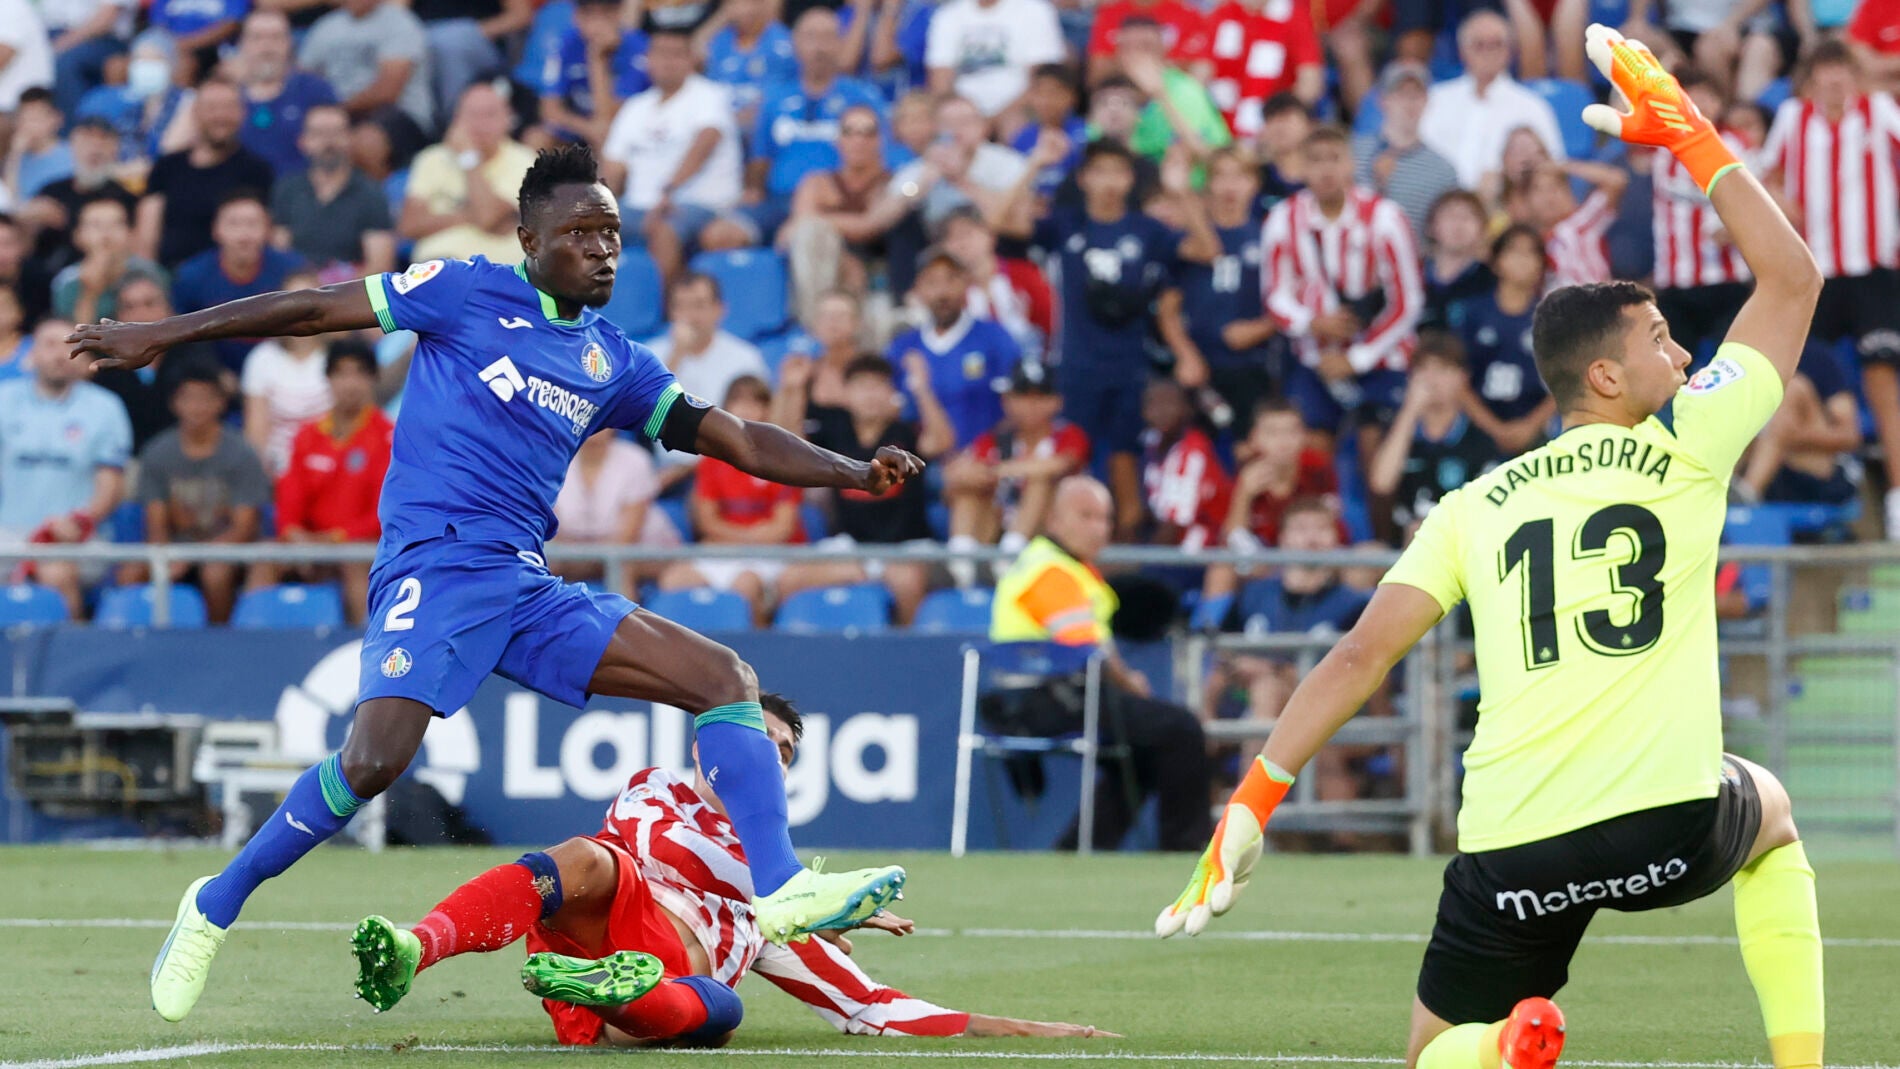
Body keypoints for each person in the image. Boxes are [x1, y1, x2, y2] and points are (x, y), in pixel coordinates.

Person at [86, 143, 925, 1024]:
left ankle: (783, 886)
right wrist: (164, 334)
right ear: (529, 238)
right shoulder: (464, 290)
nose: (605, 249)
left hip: (523, 582)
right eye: (582, 232)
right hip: (436, 563)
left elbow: (740, 437)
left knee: (726, 681)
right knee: (373, 762)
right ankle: (213, 903)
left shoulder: (615, 360)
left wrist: (854, 472)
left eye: (613, 233)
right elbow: (310, 309)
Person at [1159, 30, 1827, 1069]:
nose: (1682, 351)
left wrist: (1251, 801)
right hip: (1666, 821)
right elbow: (1791, 278)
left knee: (1432, 1054)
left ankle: (1500, 1045)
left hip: (1513, 842)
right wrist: (1692, 139)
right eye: (1658, 337)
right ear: (1605, 377)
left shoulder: (1472, 501)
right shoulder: (1689, 443)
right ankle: (1801, 1065)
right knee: (1772, 817)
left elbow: (1354, 657)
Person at [348, 694, 1113, 1045]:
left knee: (724, 1009)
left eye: (782, 753)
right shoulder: (659, 790)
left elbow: (868, 1005)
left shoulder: (779, 900)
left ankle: (633, 994)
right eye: (758, 742)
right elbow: (674, 852)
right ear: (709, 748)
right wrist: (816, 900)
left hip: (659, 980)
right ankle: (422, 943)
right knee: (586, 856)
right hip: (606, 921)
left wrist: (1013, 1025)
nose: (767, 759)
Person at [1002, 138, 1219, 533]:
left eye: (1118, 171)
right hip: (1075, 366)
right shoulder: (1065, 224)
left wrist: (1179, 191)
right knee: (1068, 466)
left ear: (1130, 178)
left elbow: (1206, 249)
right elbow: (1000, 222)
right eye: (1099, 171)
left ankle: (1121, 561)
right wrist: (1034, 165)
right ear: (1083, 178)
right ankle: (1065, 549)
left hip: (1130, 368)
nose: (1109, 182)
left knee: (1126, 466)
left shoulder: (1145, 229)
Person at [988, 475, 1214, 852]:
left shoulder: (1067, 567)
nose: (1099, 527)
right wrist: (1130, 683)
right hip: (1046, 699)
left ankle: (1075, 851)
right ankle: (1184, 849)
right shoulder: (1051, 570)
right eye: (1086, 515)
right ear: (1054, 521)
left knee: (1142, 752)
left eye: (1105, 518)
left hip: (1050, 696)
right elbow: (1087, 650)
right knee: (1182, 729)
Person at [1760, 40, 1900, 538]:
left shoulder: (1879, 111)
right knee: (1791, 377)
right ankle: (1814, 474)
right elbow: (1764, 176)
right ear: (1812, 80)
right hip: (1815, 271)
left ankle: (1896, 499)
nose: (1836, 83)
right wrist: (1782, 198)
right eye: (1826, 74)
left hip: (1872, 270)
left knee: (1883, 379)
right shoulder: (1794, 118)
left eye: (1844, 73)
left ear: (1854, 78)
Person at [1263, 125, 1423, 456]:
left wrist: (1357, 359)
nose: (1326, 170)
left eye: (1334, 159)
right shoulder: (1282, 219)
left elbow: (1408, 301)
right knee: (1306, 451)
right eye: (1315, 160)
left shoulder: (1385, 218)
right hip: (1314, 358)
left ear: (1351, 164)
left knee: (1377, 452)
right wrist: (1311, 323)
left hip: (1380, 358)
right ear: (1302, 167)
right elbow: (1274, 295)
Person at [1206, 496, 1371, 770]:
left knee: (1279, 700)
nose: (1311, 538)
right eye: (1301, 529)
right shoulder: (1252, 594)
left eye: (1321, 528)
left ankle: (1248, 807)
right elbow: (1221, 656)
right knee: (1263, 693)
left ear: (1335, 539)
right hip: (1244, 700)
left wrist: (1271, 670)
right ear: (1282, 539)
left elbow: (1351, 675)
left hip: (1328, 712)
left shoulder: (1354, 605)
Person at [795, 354, 953, 623]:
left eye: (879, 386)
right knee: (791, 579)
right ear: (845, 394)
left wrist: (922, 388)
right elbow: (791, 447)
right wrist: (792, 390)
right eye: (861, 386)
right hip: (850, 548)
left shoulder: (905, 433)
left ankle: (905, 652)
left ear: (892, 393)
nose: (870, 395)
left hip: (906, 548)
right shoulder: (835, 431)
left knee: (906, 582)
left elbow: (941, 442)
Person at [656, 375, 820, 620]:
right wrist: (738, 540)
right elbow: (707, 521)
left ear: (767, 410)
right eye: (739, 402)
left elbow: (781, 529)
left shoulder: (783, 459)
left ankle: (755, 652)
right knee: (674, 580)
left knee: (745, 586)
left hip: (775, 555)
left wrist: (733, 540)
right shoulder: (711, 459)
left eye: (755, 403)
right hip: (727, 551)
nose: (746, 410)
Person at [0, 319, 131, 619]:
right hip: (9, 532)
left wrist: (81, 522)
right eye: (49, 345)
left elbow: (110, 483)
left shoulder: (105, 407)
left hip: (80, 536)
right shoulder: (3, 400)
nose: (59, 354)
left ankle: (70, 660)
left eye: (68, 345)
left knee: (55, 572)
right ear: (29, 354)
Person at [127, 363, 271, 624]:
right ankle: (139, 640)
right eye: (188, 398)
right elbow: (155, 523)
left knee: (215, 573)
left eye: (205, 398)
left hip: (228, 552)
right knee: (130, 574)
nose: (197, 407)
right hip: (176, 547)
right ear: (174, 403)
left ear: (221, 403)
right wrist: (166, 557)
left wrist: (197, 555)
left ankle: (218, 638)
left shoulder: (241, 453)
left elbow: (245, 527)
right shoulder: (158, 452)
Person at [599, 29, 743, 286]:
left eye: (677, 54)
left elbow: (705, 142)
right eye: (661, 54)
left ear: (691, 60)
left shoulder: (709, 95)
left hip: (698, 204)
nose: (668, 61)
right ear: (648, 60)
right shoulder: (635, 107)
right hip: (638, 206)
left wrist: (668, 191)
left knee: (664, 228)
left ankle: (663, 316)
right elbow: (613, 166)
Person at [270, 341, 391, 626]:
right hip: (309, 545)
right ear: (328, 378)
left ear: (373, 379)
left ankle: (361, 648)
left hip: (362, 548)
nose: (350, 383)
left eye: (359, 373)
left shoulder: (389, 437)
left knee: (355, 566)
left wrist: (332, 541)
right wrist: (295, 536)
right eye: (341, 373)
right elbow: (288, 503)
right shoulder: (306, 436)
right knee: (263, 562)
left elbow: (382, 514)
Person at [1158, 147, 1275, 434]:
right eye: (1220, 176)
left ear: (1255, 183)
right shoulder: (1187, 240)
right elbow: (1168, 310)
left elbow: (1291, 303)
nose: (1229, 186)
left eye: (1239, 176)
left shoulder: (1269, 237)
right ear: (1208, 184)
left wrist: (1260, 328)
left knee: (1248, 448)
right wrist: (1186, 355)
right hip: (1199, 369)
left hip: (1251, 367)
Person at [943, 361, 1091, 581]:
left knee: (1040, 480)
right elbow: (957, 475)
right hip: (996, 527)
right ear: (1007, 401)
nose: (1031, 405)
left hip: (1048, 533)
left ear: (1057, 402)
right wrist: (972, 474)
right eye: (1022, 396)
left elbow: (1058, 464)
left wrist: (998, 470)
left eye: (1041, 397)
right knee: (968, 491)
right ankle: (962, 564)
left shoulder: (1069, 435)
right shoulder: (996, 438)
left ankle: (1010, 557)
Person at [1651, 70, 1754, 362]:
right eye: (1689, 97)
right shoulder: (1660, 148)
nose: (1699, 104)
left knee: (1732, 368)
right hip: (1675, 283)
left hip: (1726, 281)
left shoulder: (1734, 145)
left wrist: (1732, 227)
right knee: (1667, 370)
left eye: (1707, 96)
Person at [1367, 332, 1502, 542]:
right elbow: (1381, 484)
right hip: (1398, 550)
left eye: (1443, 369)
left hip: (1460, 547)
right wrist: (1410, 410)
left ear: (1462, 377)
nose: (1432, 379)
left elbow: (1488, 509)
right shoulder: (1399, 431)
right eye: (1423, 369)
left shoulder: (1479, 440)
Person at [886, 247, 1020, 451]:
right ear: (918, 288)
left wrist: (983, 456)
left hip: (985, 461)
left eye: (951, 279)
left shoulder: (996, 339)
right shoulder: (901, 349)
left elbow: (1018, 410)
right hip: (920, 465)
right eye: (932, 282)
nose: (942, 292)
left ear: (966, 283)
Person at [137, 77, 276, 269]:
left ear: (242, 113)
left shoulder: (258, 171)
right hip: (169, 278)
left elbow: (264, 235)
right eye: (211, 108)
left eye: (228, 107)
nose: (220, 116)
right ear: (195, 113)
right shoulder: (166, 166)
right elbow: (147, 236)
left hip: (233, 283)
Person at [1419, 11, 1569, 188]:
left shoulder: (1531, 106)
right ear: (1462, 52)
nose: (1488, 52)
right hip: (1436, 202)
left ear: (1510, 51)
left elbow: (1553, 168)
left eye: (1496, 44)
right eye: (1479, 45)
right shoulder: (1435, 99)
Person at [777, 105, 896, 321]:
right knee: (811, 234)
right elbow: (799, 229)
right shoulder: (816, 183)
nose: (858, 140)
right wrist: (843, 257)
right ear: (838, 140)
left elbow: (869, 226)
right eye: (849, 132)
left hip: (878, 279)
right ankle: (817, 323)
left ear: (881, 140)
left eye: (868, 133)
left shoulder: (895, 184)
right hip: (826, 272)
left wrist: (820, 219)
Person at [401, 85, 537, 265]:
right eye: (472, 115)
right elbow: (409, 226)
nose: (480, 124)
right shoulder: (431, 159)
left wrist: (469, 159)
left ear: (508, 119)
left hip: (497, 270)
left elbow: (487, 217)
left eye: (489, 115)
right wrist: (469, 216)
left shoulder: (525, 160)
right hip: (437, 266)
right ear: (456, 119)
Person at [171, 193, 308, 373]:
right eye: (233, 224)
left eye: (252, 224)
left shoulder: (293, 271)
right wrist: (215, 373)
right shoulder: (191, 277)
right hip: (212, 376)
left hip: (281, 374)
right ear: (215, 229)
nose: (244, 235)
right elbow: (182, 340)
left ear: (268, 229)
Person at [1457, 225, 1556, 457]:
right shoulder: (1474, 313)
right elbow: (1458, 378)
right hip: (1478, 430)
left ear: (1541, 264)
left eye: (1531, 252)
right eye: (1514, 251)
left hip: (1537, 431)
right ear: (1496, 261)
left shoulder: (1553, 317)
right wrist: (1495, 429)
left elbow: (1566, 382)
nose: (1522, 260)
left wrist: (1530, 426)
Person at [270, 104, 397, 279]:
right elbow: (279, 253)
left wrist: (334, 294)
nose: (328, 142)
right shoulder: (288, 189)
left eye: (336, 133)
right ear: (303, 141)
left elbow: (380, 265)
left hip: (348, 291)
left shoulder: (371, 194)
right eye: (319, 133)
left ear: (350, 138)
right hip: (296, 290)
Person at [1734, 343, 1863, 512]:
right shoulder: (1745, 352)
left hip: (1812, 469)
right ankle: (1723, 492)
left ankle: (1747, 493)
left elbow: (1849, 436)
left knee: (1793, 388)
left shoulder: (1817, 358)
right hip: (1753, 458)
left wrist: (1785, 435)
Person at [551, 428, 679, 597]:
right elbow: (551, 529)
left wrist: (587, 555)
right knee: (536, 565)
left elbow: (627, 537)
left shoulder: (635, 459)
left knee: (621, 567)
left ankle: (625, 622)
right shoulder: (552, 459)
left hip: (637, 550)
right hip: (572, 552)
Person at [298, 0, 433, 146]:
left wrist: (338, 110)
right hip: (338, 113)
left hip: (397, 114)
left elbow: (387, 92)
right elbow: (304, 78)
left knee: (366, 140)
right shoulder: (326, 26)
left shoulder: (401, 23)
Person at [240, 270, 332, 477]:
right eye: (293, 300)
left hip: (331, 469)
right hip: (279, 471)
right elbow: (256, 433)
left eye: (308, 299)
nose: (301, 309)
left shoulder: (338, 357)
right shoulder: (261, 359)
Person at [1353, 62, 1459, 241]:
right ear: (1382, 100)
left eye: (1416, 95)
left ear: (1426, 101)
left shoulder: (1443, 170)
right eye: (1401, 94)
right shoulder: (1353, 153)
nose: (1409, 102)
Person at [924, 0, 1066, 132]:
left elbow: (1041, 80)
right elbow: (940, 82)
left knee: (1015, 124)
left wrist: (993, 121)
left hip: (1019, 109)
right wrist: (968, 119)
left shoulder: (1035, 10)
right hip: (963, 112)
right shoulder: (948, 14)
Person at [230, 10, 339, 178]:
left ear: (290, 43)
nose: (267, 47)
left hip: (300, 195)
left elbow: (335, 151)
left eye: (276, 38)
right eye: (257, 38)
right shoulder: (225, 95)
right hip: (239, 195)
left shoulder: (315, 90)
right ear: (242, 44)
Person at [648, 272, 770, 412]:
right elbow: (644, 412)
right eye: (681, 306)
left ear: (719, 309)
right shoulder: (650, 354)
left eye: (698, 305)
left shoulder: (745, 358)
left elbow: (758, 417)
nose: (690, 316)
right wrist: (677, 354)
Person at [537, 0, 651, 147]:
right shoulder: (566, 42)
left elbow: (610, 118)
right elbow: (549, 109)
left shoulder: (638, 48)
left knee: (605, 138)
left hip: (627, 129)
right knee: (537, 138)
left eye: (606, 13)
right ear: (576, 16)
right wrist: (588, 129)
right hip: (582, 125)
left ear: (620, 13)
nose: (598, 23)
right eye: (588, 13)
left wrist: (597, 61)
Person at [1203, 0, 1324, 133]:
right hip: (1221, 127)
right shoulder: (1222, 14)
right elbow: (1202, 73)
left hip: (1270, 127)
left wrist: (1282, 120)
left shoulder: (1293, 16)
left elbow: (1310, 81)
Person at [1139, 377, 1232, 550]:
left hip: (1199, 549)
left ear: (1187, 410)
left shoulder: (1193, 450)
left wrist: (1135, 565)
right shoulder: (1150, 442)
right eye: (1154, 404)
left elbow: (1173, 527)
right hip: (1165, 543)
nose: (1161, 411)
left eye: (1169, 403)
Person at [51, 197, 168, 324]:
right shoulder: (68, 281)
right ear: (77, 235)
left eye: (116, 224)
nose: (106, 232)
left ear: (131, 232)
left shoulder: (151, 272)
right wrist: (90, 291)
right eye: (96, 225)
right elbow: (72, 333)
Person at [1526, 159, 1630, 290]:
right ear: (1527, 198)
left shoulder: (1583, 221)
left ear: (1568, 192)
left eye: (1554, 188)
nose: (1547, 197)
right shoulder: (1525, 241)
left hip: (1599, 304)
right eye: (1538, 190)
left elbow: (1616, 180)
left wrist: (1562, 166)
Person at [704, 0, 797, 129]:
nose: (747, 9)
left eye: (753, 2)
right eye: (739, 2)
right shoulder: (719, 42)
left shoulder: (786, 42)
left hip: (771, 121)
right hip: (726, 124)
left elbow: (792, 90)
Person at [1420, 190, 1493, 332]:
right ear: (1431, 226)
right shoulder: (1411, 274)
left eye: (1467, 217)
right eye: (1450, 216)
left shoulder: (1489, 281)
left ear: (1483, 229)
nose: (1458, 225)